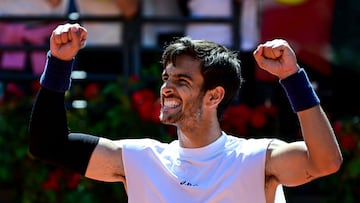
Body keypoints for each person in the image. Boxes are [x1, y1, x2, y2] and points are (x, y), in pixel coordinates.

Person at [29, 23, 342, 202]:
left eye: (182, 80)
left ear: (214, 96)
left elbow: (326, 162)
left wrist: (292, 77)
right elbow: (47, 144)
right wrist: (59, 62)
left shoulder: (257, 159)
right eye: (166, 78)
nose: (167, 87)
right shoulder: (139, 159)